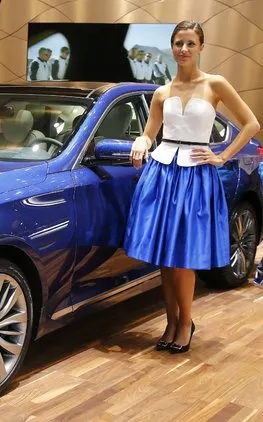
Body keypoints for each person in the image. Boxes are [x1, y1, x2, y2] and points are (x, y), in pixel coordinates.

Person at [124, 20, 260, 354]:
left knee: (183, 257)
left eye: (189, 43)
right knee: (165, 259)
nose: (183, 49)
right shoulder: (161, 92)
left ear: (201, 47)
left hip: (196, 176)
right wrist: (141, 142)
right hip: (162, 173)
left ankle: (186, 323)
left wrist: (221, 156)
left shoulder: (215, 84)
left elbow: (251, 123)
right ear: (171, 47)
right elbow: (150, 131)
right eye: (178, 43)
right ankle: (170, 322)